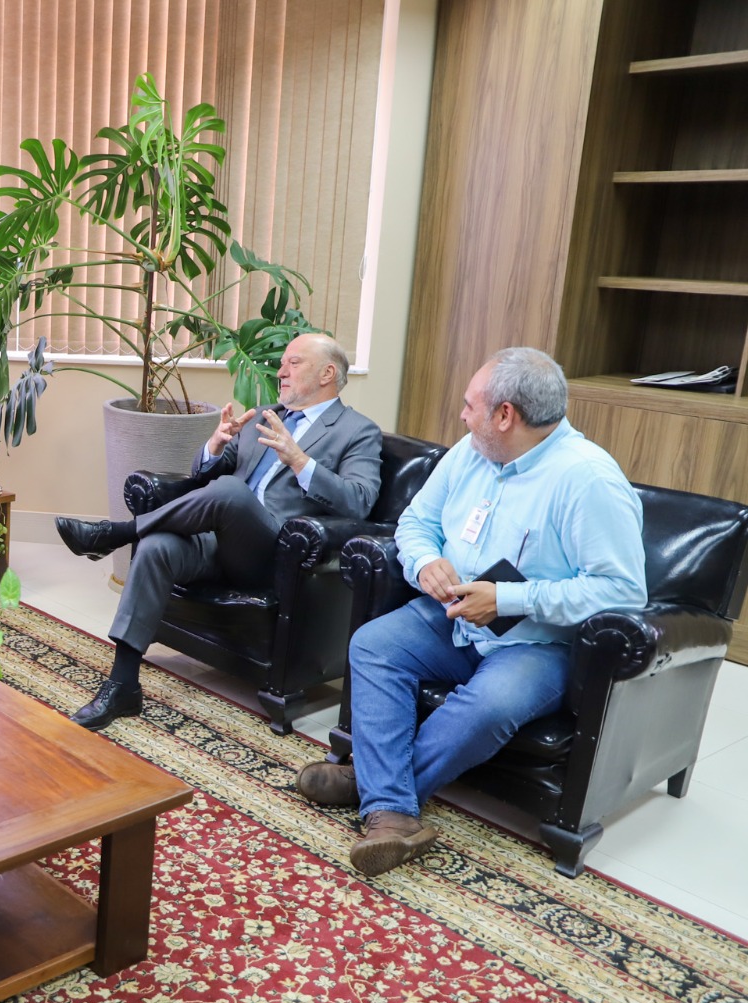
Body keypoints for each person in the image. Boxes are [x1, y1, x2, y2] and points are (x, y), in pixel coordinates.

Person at [295, 347, 646, 875]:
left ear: (506, 415)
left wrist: (507, 599)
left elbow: (622, 591)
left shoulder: (588, 480)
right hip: (452, 614)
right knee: (373, 644)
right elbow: (416, 522)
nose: (461, 414)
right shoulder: (470, 451)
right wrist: (426, 560)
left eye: (469, 404)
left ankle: (377, 793)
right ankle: (392, 807)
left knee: (490, 705)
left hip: (535, 640)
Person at [56, 333, 382, 730]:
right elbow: (202, 477)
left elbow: (360, 500)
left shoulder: (357, 431)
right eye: (282, 362)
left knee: (230, 491)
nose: (280, 371)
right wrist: (214, 445)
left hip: (276, 555)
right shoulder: (264, 415)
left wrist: (299, 460)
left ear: (328, 373)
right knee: (158, 545)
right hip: (221, 540)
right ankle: (123, 685)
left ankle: (118, 533)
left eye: (294, 363)